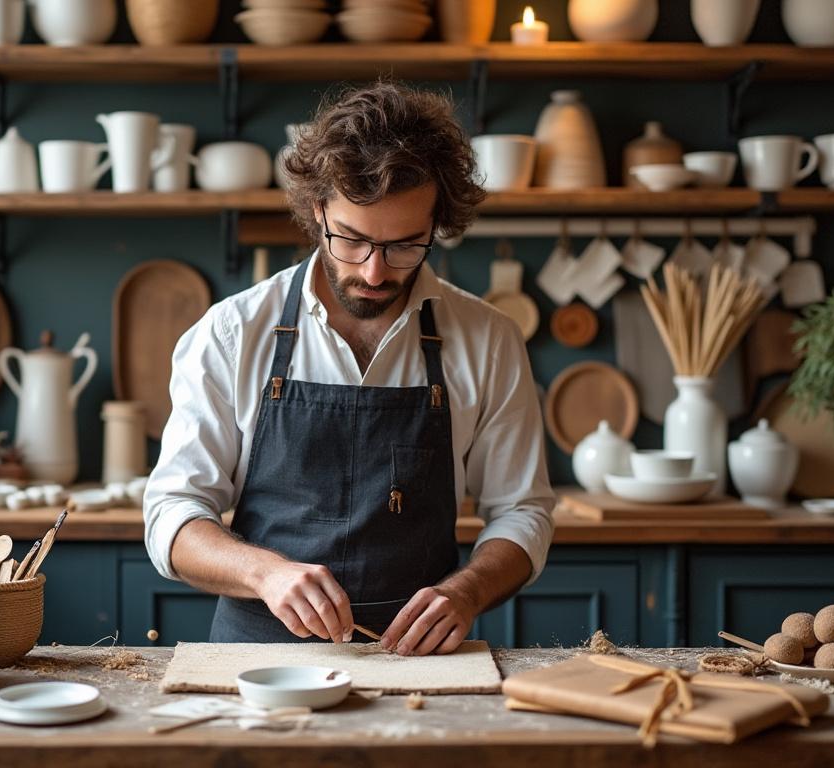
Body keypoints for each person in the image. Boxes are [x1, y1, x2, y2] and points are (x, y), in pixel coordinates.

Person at [143, 81, 554, 655]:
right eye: (353, 240)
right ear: (318, 212)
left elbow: (521, 511)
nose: (376, 271)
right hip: (259, 661)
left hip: (419, 662)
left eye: (406, 245)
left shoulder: (487, 340)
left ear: (436, 225)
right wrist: (267, 574)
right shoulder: (232, 333)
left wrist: (466, 592)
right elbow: (173, 516)